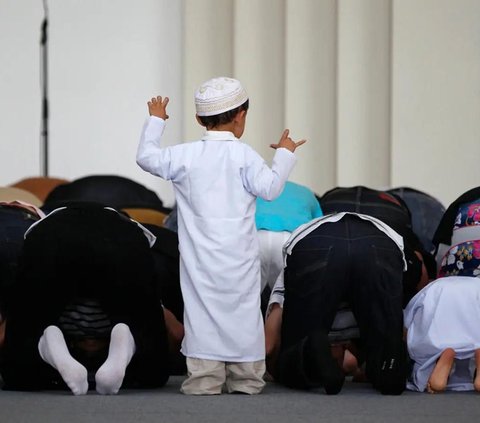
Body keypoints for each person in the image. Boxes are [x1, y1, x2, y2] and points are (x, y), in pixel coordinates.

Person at [136, 76, 305, 395]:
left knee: (201, 310)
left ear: (199, 119)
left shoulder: (183, 156)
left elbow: (146, 157)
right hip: (239, 258)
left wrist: (156, 120)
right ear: (242, 115)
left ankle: (204, 378)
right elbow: (270, 189)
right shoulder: (245, 156)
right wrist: (284, 154)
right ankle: (245, 379)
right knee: (243, 310)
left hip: (199, 259)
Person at [0, 203, 170, 395]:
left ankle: (42, 345)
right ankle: (131, 339)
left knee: (17, 367)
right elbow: (176, 332)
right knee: (154, 366)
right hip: (121, 240)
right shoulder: (125, 226)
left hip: (51, 239)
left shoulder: (41, 228)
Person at [264, 212, 408, 395]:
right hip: (382, 240)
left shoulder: (291, 269)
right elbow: (397, 319)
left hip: (313, 242)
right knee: (384, 338)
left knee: (297, 347)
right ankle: (389, 364)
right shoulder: (358, 336)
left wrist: (277, 368)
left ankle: (310, 346)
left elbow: (270, 340)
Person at [256, 181, 323, 294]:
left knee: (248, 297)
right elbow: (319, 229)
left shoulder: (257, 188)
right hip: (291, 240)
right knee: (288, 298)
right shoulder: (306, 192)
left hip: (257, 237)